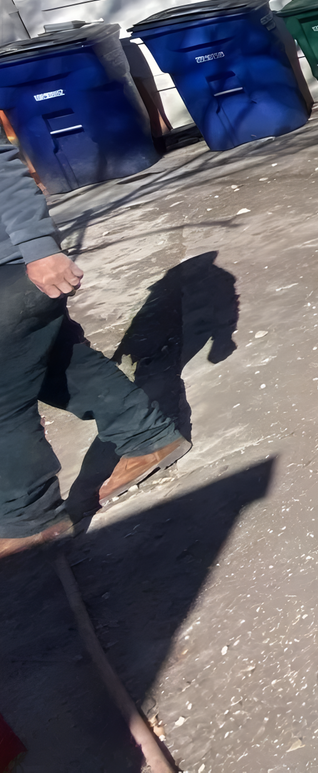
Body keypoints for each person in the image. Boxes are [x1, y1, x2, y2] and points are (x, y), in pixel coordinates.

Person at [0, 139, 188, 557]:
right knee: (56, 362)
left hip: (9, 269)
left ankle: (29, 518)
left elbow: (4, 170)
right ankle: (148, 436)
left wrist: (39, 249)